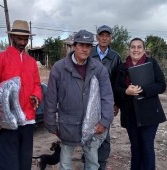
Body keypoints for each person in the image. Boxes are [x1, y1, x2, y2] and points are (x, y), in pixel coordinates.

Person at [44, 30, 114, 170]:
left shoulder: (98, 68)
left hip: (92, 125)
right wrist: (51, 124)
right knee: (65, 162)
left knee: (92, 162)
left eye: (88, 46)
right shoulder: (59, 68)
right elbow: (51, 98)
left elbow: (107, 96)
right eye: (81, 45)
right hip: (67, 123)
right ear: (74, 46)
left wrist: (105, 121)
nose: (84, 49)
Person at [0, 20, 42, 170]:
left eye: (25, 39)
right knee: (9, 163)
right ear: (12, 37)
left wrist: (36, 96)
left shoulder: (31, 62)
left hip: (27, 120)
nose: (22, 42)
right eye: (19, 38)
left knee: (25, 161)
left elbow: (37, 85)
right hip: (7, 121)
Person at [113, 38, 167, 170]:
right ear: (129, 49)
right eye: (133, 47)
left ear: (144, 50)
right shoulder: (121, 67)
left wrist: (142, 90)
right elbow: (115, 89)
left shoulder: (151, 63)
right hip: (130, 114)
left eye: (139, 47)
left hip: (149, 114)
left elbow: (161, 85)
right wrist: (126, 91)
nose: (136, 50)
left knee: (147, 148)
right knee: (135, 149)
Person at [89, 25, 122, 170]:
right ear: (97, 37)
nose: (104, 38)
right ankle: (88, 160)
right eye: (101, 35)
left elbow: (118, 81)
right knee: (88, 128)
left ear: (110, 38)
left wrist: (117, 103)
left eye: (107, 36)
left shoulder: (115, 57)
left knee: (104, 131)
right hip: (89, 99)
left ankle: (101, 163)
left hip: (107, 100)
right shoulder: (89, 53)